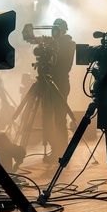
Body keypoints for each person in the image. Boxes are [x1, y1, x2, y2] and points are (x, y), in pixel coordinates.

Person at [43, 18, 75, 163]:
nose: (54, 32)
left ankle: (62, 151)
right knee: (47, 116)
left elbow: (65, 66)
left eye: (58, 29)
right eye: (53, 29)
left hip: (61, 83)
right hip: (48, 82)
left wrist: (55, 45)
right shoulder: (51, 43)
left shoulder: (69, 44)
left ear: (63, 29)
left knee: (59, 117)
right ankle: (54, 147)